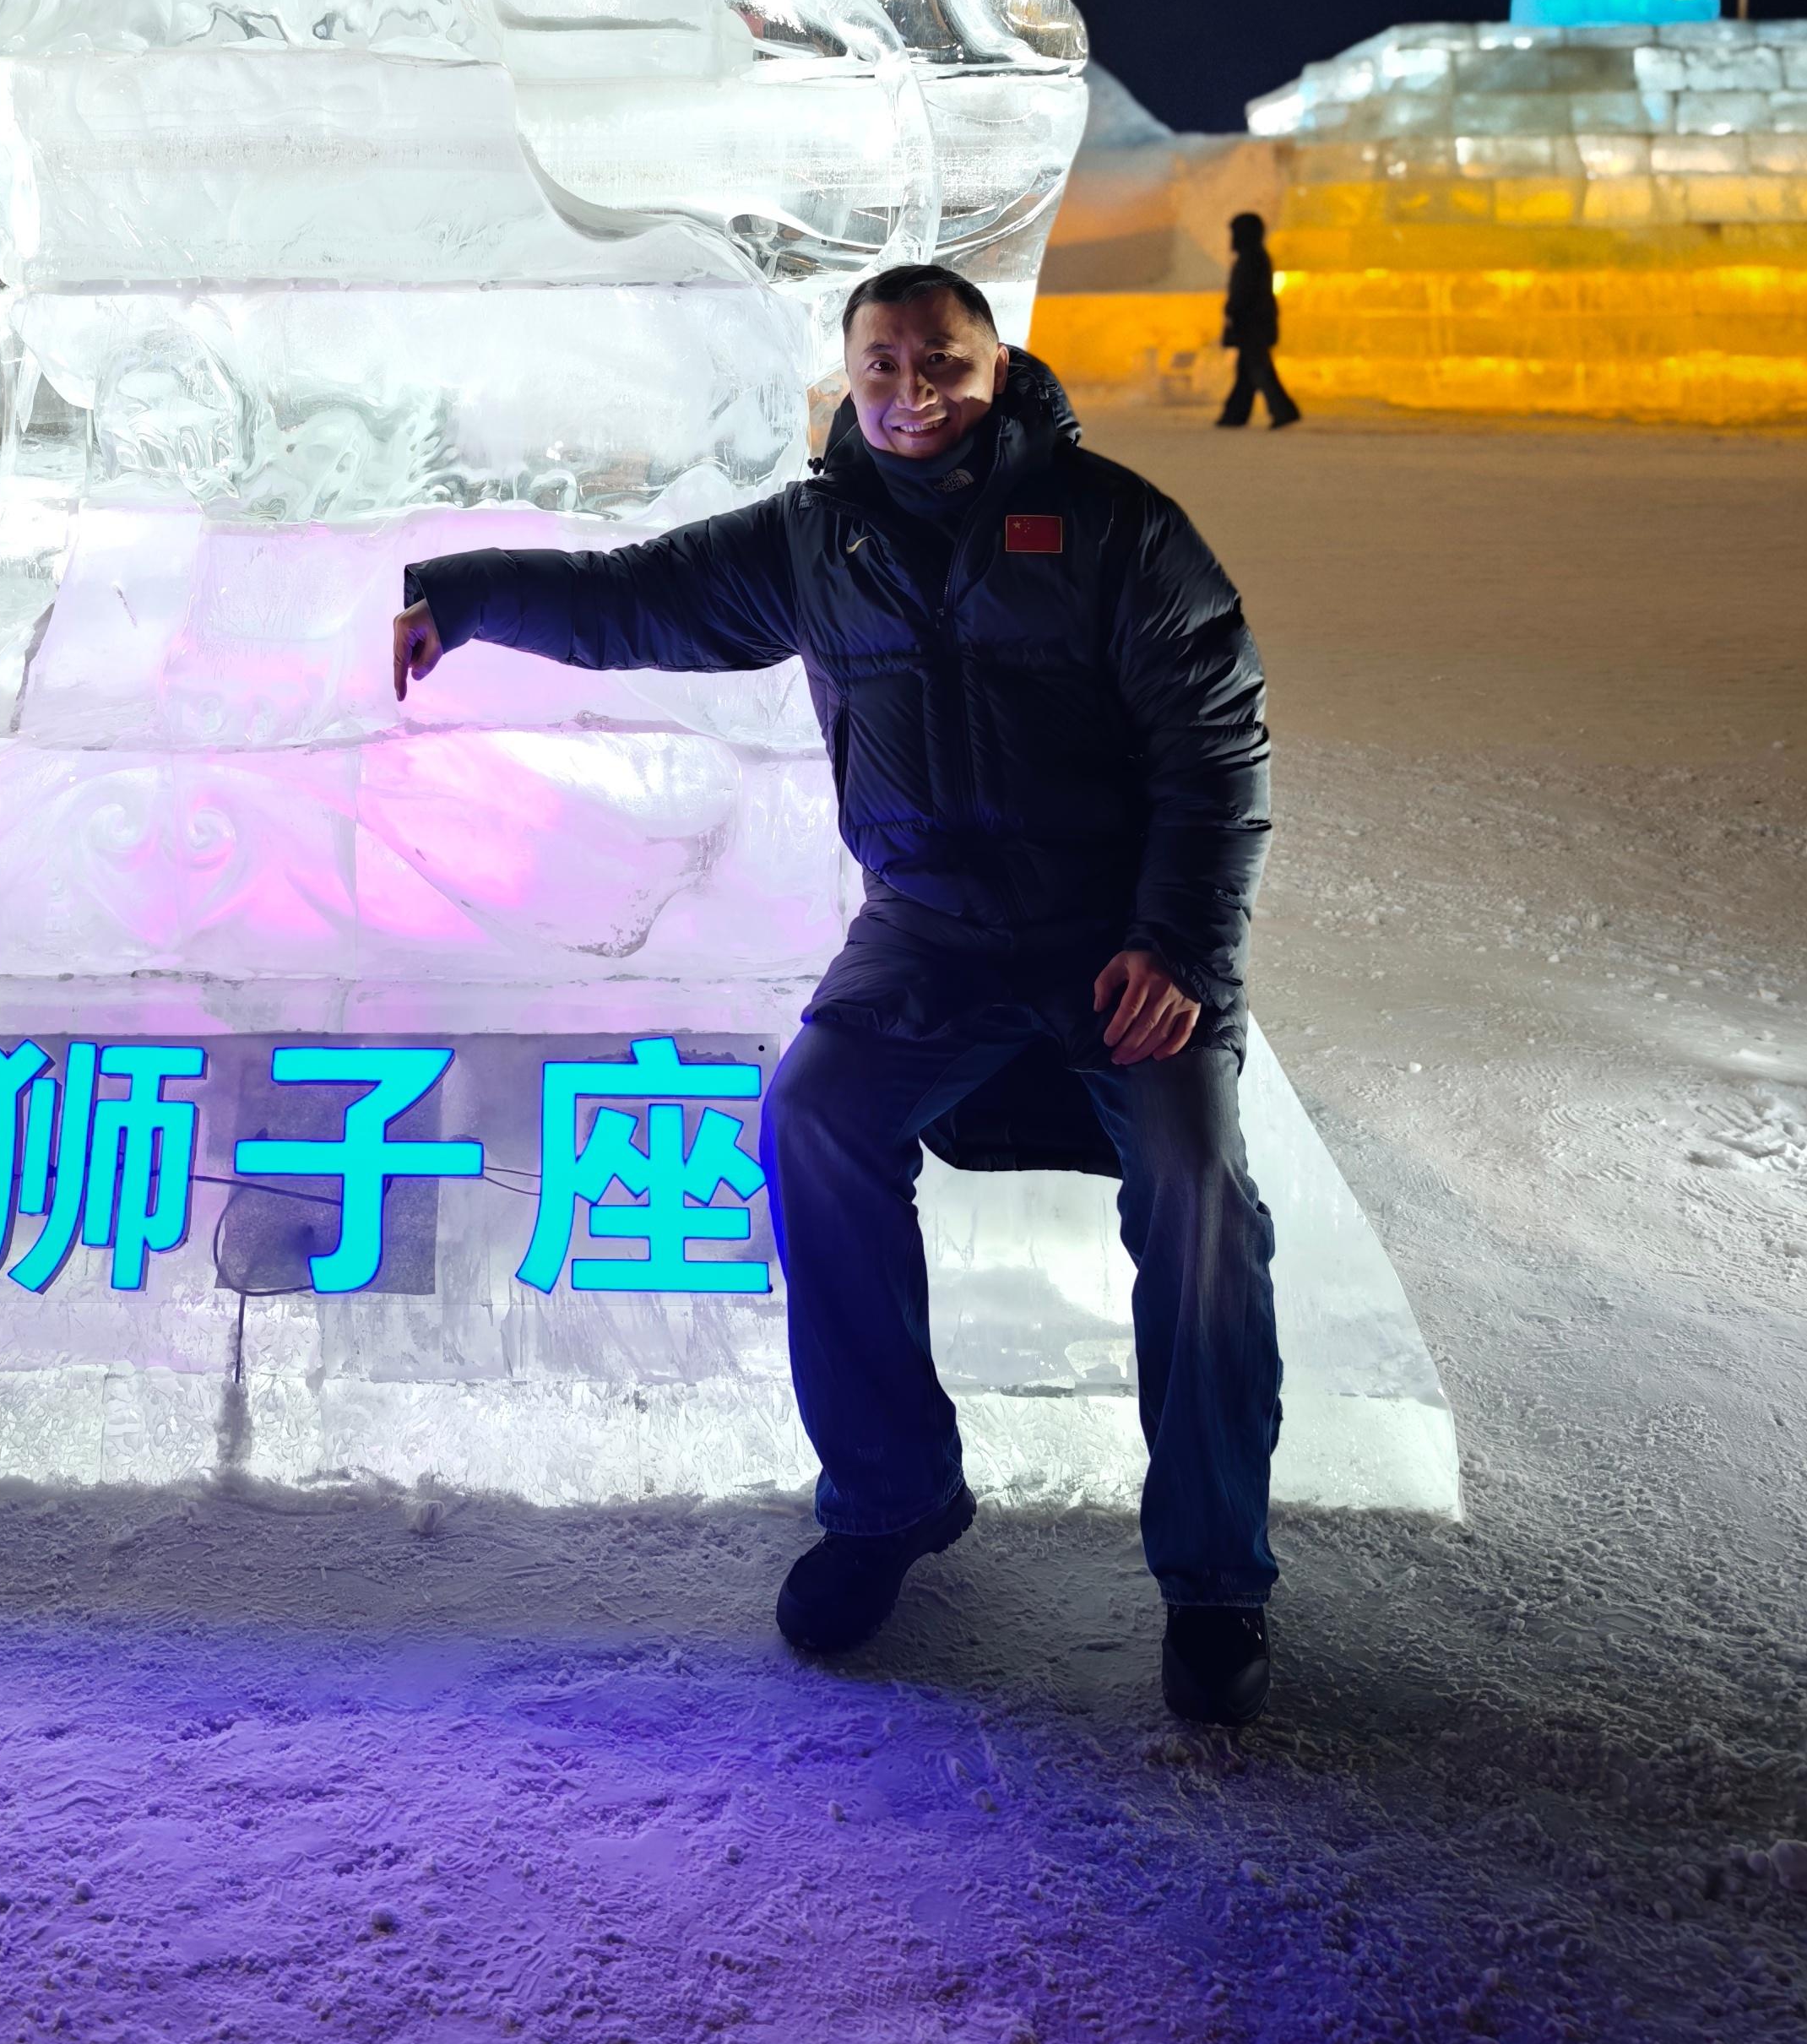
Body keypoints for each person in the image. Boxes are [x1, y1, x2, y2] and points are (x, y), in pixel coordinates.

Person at [392, 265, 1281, 1721]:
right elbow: (642, 599)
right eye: (881, 363)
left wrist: (1178, 947)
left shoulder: (1117, 527)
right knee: (808, 1117)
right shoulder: (820, 538)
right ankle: (888, 1496)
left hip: (1119, 930)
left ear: (998, 368)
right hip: (927, 932)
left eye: (941, 360)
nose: (910, 389)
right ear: (848, 377)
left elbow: (1216, 741)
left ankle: (1213, 1573)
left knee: (1194, 1188)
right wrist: (464, 594)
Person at [1217, 209, 1300, 430]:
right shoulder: (1255, 257)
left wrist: (1233, 310)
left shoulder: (1251, 259)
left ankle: (1281, 410)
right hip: (1255, 324)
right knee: (1248, 372)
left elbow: (1244, 293)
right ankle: (1235, 414)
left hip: (1252, 325)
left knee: (1259, 371)